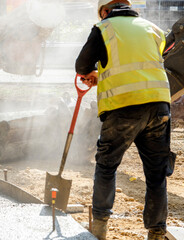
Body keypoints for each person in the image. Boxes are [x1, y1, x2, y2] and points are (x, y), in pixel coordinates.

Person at [75, 0, 175, 239]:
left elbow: (82, 65)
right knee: (156, 173)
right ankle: (157, 231)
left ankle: (99, 225)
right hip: (159, 106)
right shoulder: (153, 29)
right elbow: (140, 64)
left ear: (105, 11)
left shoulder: (104, 28)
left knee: (107, 166)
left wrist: (93, 73)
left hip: (124, 106)